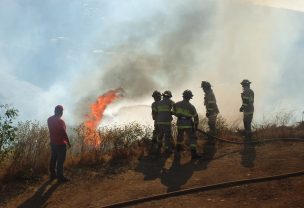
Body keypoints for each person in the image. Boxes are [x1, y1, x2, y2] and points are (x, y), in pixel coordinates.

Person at [173, 90, 201, 160]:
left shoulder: (176, 104)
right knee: (192, 139)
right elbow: (196, 116)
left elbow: (173, 112)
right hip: (188, 124)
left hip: (180, 124)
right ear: (190, 97)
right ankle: (194, 155)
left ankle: (177, 153)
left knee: (179, 138)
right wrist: (196, 126)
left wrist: (179, 116)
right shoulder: (191, 106)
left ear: (183, 96)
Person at [47, 105, 71, 182]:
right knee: (60, 161)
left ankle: (52, 175)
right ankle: (60, 177)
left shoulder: (49, 119)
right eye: (62, 111)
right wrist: (68, 143)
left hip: (53, 143)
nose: (62, 113)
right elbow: (63, 132)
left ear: (55, 111)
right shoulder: (60, 121)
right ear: (60, 112)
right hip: (60, 144)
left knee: (53, 159)